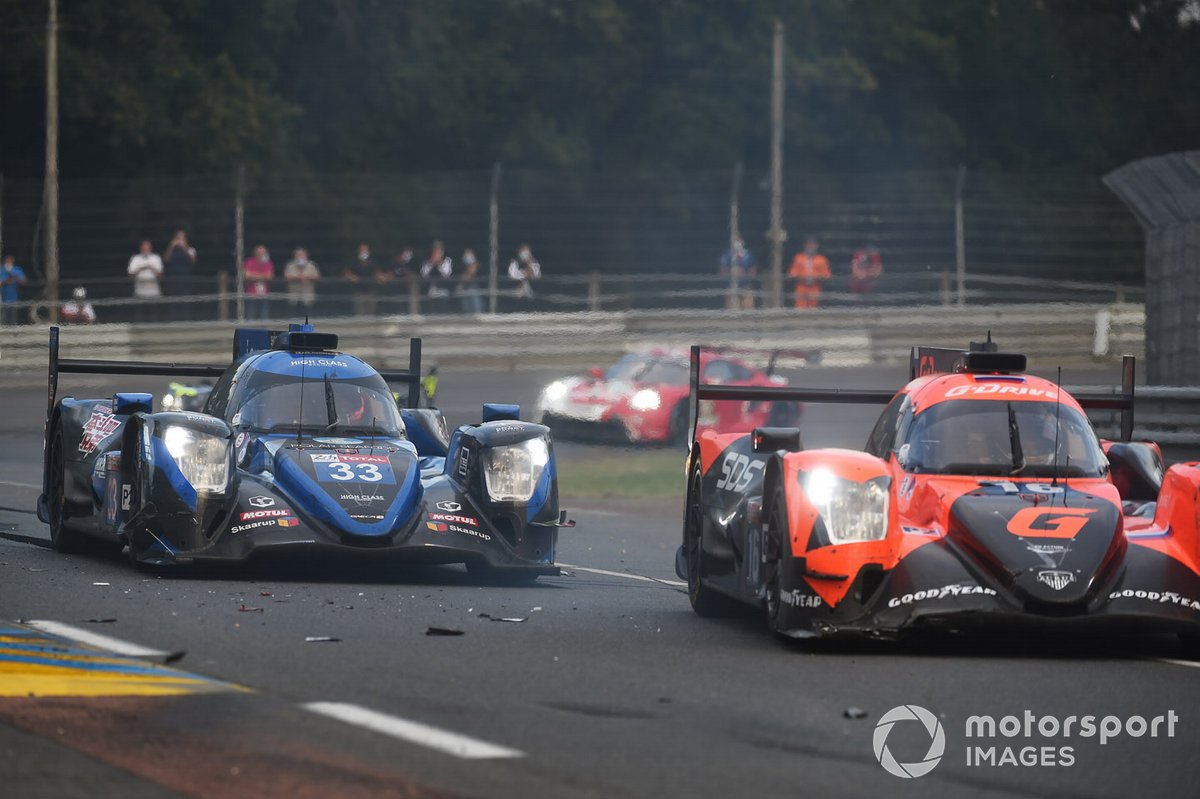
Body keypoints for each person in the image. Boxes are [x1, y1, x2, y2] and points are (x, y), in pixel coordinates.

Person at [788, 237, 831, 309]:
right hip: (801, 288)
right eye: (808, 245)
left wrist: (815, 278)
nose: (810, 248)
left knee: (813, 311)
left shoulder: (821, 259)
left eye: (813, 246)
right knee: (800, 310)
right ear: (805, 246)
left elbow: (826, 276)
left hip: (815, 288)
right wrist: (803, 278)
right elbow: (792, 275)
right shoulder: (798, 258)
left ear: (817, 246)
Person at [718, 235, 757, 309]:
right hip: (730, 287)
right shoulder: (726, 254)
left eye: (738, 240)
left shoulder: (748, 255)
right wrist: (731, 272)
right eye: (735, 241)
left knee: (748, 310)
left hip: (746, 287)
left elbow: (754, 272)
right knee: (732, 312)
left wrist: (744, 275)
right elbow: (722, 272)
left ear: (742, 241)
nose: (737, 243)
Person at [344, 243, 382, 316]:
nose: (364, 251)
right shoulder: (353, 261)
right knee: (359, 314)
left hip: (371, 292)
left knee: (371, 313)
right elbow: (347, 273)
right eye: (362, 250)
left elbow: (378, 273)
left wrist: (379, 277)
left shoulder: (373, 261)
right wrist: (351, 277)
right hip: (358, 292)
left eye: (365, 250)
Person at [284, 247, 321, 313]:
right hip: (294, 296)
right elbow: (287, 277)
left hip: (307, 296)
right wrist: (297, 277)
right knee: (294, 316)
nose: (300, 257)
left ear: (306, 255)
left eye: (302, 255)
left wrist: (308, 277)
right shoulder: (290, 266)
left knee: (307, 315)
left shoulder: (311, 265)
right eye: (298, 255)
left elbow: (317, 276)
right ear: (295, 256)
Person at [243, 245, 274, 320]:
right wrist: (263, 276)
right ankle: (250, 331)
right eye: (260, 253)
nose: (262, 255)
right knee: (251, 315)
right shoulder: (249, 261)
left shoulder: (268, 263)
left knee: (264, 315)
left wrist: (254, 275)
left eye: (264, 253)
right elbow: (247, 276)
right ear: (255, 253)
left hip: (264, 294)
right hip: (251, 293)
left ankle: (264, 330)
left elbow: (270, 276)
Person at [162, 230, 198, 295]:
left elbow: (193, 261)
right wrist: (171, 246)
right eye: (178, 238)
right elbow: (166, 260)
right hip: (172, 281)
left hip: (186, 281)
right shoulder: (171, 250)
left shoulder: (191, 249)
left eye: (182, 239)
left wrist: (185, 247)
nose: (180, 241)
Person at [1, 254, 28, 325]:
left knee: (13, 317)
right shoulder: (1, 270)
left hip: (14, 298)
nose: (8, 262)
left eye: (10, 260)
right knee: (3, 317)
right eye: (7, 260)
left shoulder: (17, 269)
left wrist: (15, 277)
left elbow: (24, 281)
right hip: (2, 298)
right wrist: (5, 282)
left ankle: (12, 332)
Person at [457, 248, 483, 313]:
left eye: (469, 253)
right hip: (464, 289)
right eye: (466, 254)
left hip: (474, 288)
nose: (467, 256)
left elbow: (472, 273)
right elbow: (462, 279)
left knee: (473, 292)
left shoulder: (476, 265)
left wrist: (471, 268)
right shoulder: (462, 265)